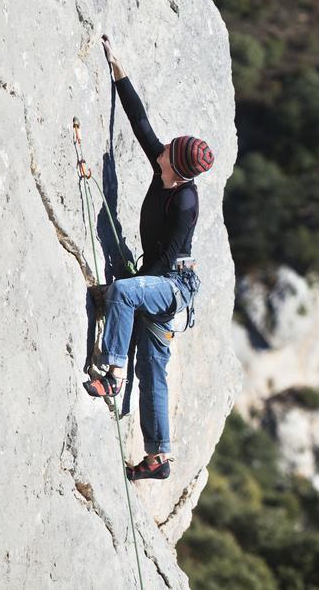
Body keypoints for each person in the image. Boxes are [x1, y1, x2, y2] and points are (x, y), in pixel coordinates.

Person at [83, 34, 215, 481]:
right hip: (161, 284)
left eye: (165, 155)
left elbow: (168, 261)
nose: (157, 154)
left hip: (174, 287)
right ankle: (158, 455)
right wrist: (119, 72)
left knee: (123, 293)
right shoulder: (166, 169)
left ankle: (111, 372)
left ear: (177, 170)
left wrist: (133, 288)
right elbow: (140, 124)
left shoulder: (185, 204)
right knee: (153, 368)